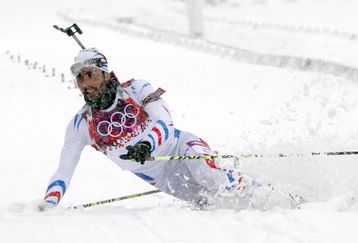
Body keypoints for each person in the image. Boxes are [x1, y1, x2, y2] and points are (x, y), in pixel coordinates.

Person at [38, 48, 269, 211]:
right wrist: (47, 204)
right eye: (79, 78)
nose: (85, 83)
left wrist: (146, 144)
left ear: (106, 73)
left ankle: (272, 195)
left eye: (90, 74)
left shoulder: (136, 89)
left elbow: (164, 122)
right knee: (211, 202)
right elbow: (63, 172)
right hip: (160, 176)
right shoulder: (81, 124)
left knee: (209, 176)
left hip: (180, 147)